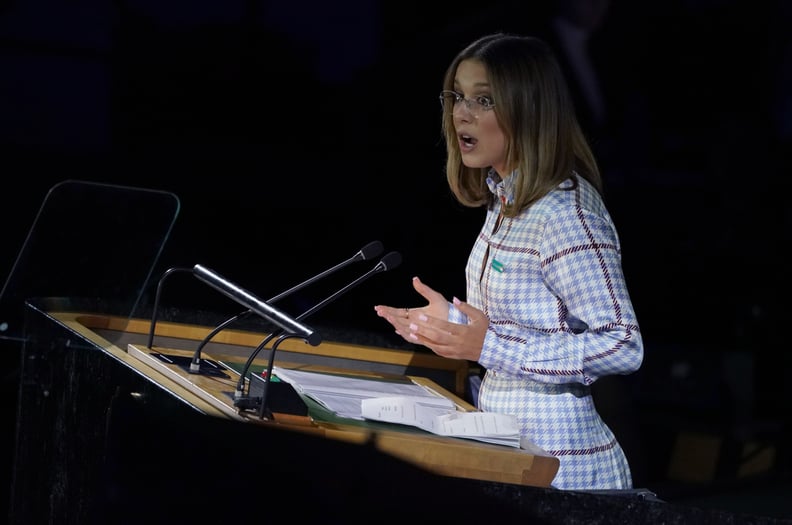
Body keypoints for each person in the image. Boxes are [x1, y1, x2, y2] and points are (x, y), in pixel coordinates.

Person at [374, 32, 643, 491]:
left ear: (528, 109)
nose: (462, 112)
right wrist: (452, 324)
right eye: (458, 96)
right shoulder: (505, 200)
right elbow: (527, 324)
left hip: (563, 472)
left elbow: (622, 345)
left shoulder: (565, 214)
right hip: (507, 450)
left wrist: (484, 347)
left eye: (483, 100)